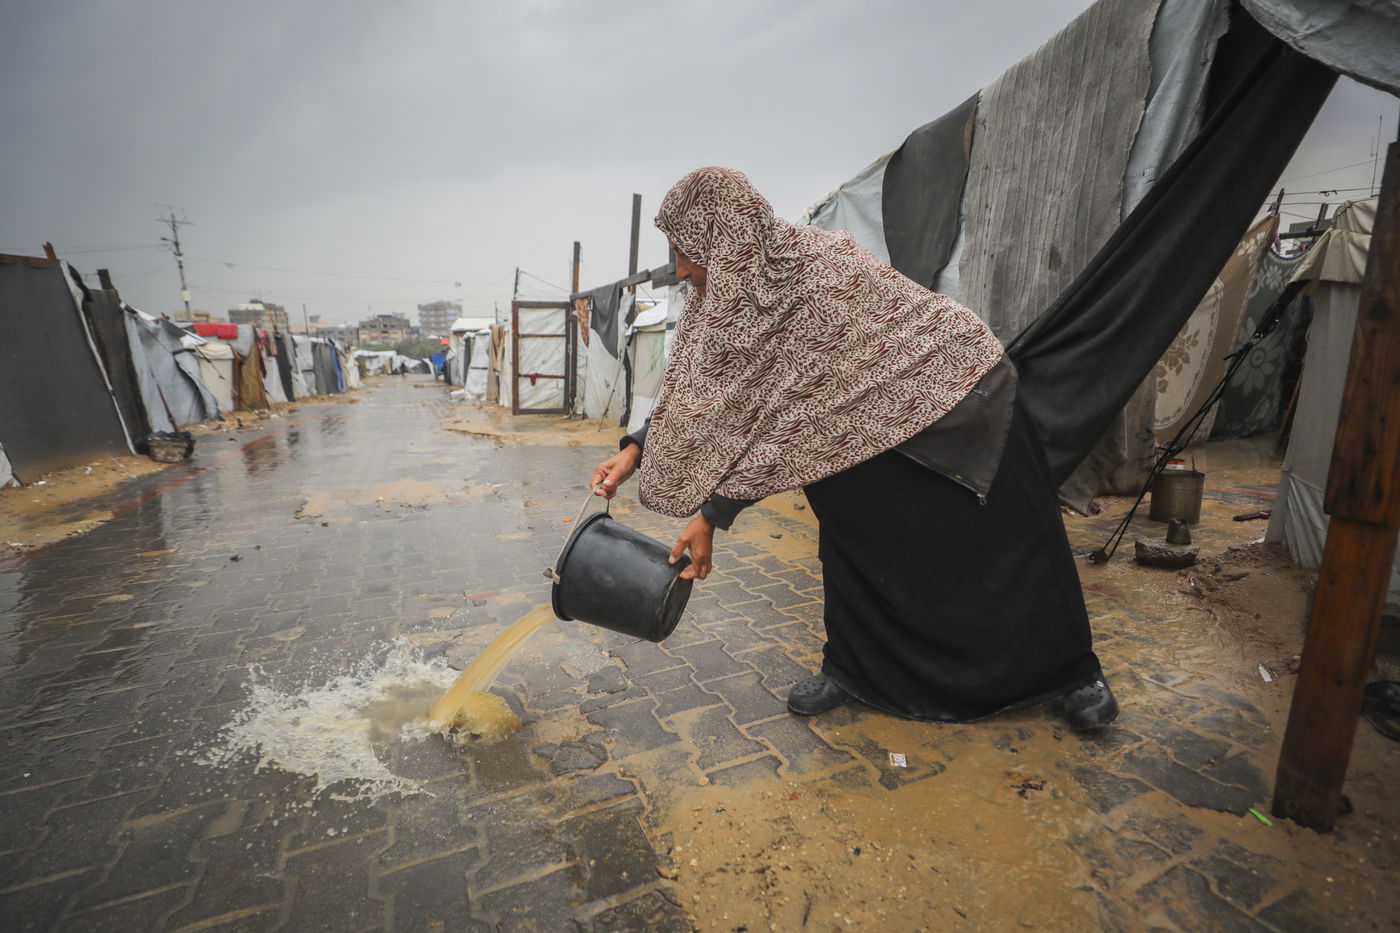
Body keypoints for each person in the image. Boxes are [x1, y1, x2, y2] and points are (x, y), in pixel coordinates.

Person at [589, 167, 1117, 731]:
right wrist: (636, 449)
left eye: (691, 250)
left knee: (1008, 549)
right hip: (847, 443)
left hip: (954, 408)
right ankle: (854, 669)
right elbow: (712, 390)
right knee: (856, 554)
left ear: (731, 239)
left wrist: (715, 513)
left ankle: (1071, 672)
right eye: (677, 251)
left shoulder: (823, 273)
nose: (685, 268)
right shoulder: (724, 297)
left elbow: (794, 417)